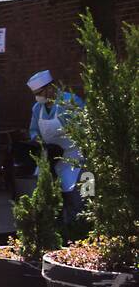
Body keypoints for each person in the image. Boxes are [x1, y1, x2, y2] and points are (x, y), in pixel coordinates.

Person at [26, 70, 85, 217]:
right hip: (50, 156)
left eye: (39, 93)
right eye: (35, 94)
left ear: (50, 88)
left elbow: (83, 127)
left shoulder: (71, 101)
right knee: (46, 196)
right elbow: (33, 130)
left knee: (78, 195)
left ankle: (78, 228)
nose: (37, 97)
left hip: (74, 156)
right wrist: (37, 140)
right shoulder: (37, 108)